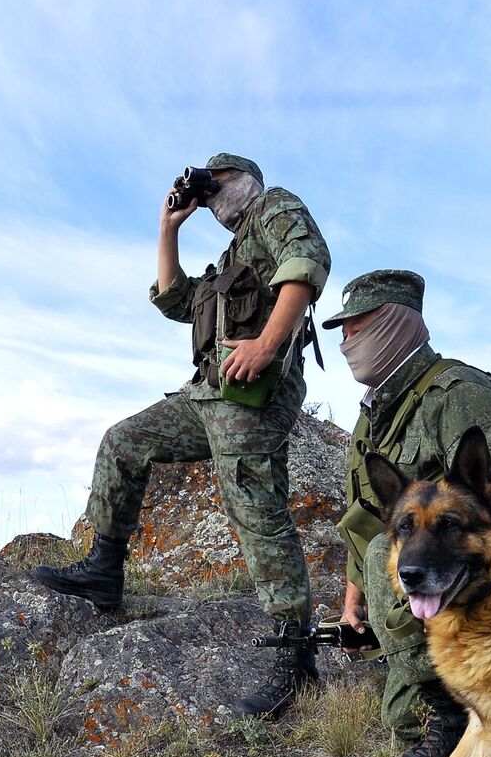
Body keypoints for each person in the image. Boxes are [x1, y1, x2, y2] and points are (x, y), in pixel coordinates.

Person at [31, 154, 332, 719]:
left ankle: (297, 659)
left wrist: (266, 344)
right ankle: (104, 571)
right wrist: (169, 227)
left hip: (252, 393)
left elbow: (308, 262)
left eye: (215, 182)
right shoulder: (233, 256)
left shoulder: (273, 207)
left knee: (255, 505)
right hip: (208, 396)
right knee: (125, 442)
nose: (210, 193)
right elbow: (174, 299)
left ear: (242, 179)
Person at [321, 269, 491, 757]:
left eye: (355, 328)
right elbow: (366, 522)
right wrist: (356, 602)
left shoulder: (461, 395)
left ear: (394, 323)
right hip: (426, 599)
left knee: (403, 552)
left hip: (485, 600)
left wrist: (463, 586)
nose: (345, 342)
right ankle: (443, 715)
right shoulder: (375, 416)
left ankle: (460, 721)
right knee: (399, 715)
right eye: (341, 331)